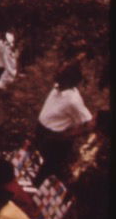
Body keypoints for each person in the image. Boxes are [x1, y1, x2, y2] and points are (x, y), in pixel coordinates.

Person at [32, 54, 93, 182]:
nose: (57, 73)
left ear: (69, 80)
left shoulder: (73, 101)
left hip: (54, 142)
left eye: (61, 73)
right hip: (41, 132)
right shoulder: (58, 86)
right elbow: (72, 64)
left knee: (42, 174)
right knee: (31, 165)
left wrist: (68, 135)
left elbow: (89, 123)